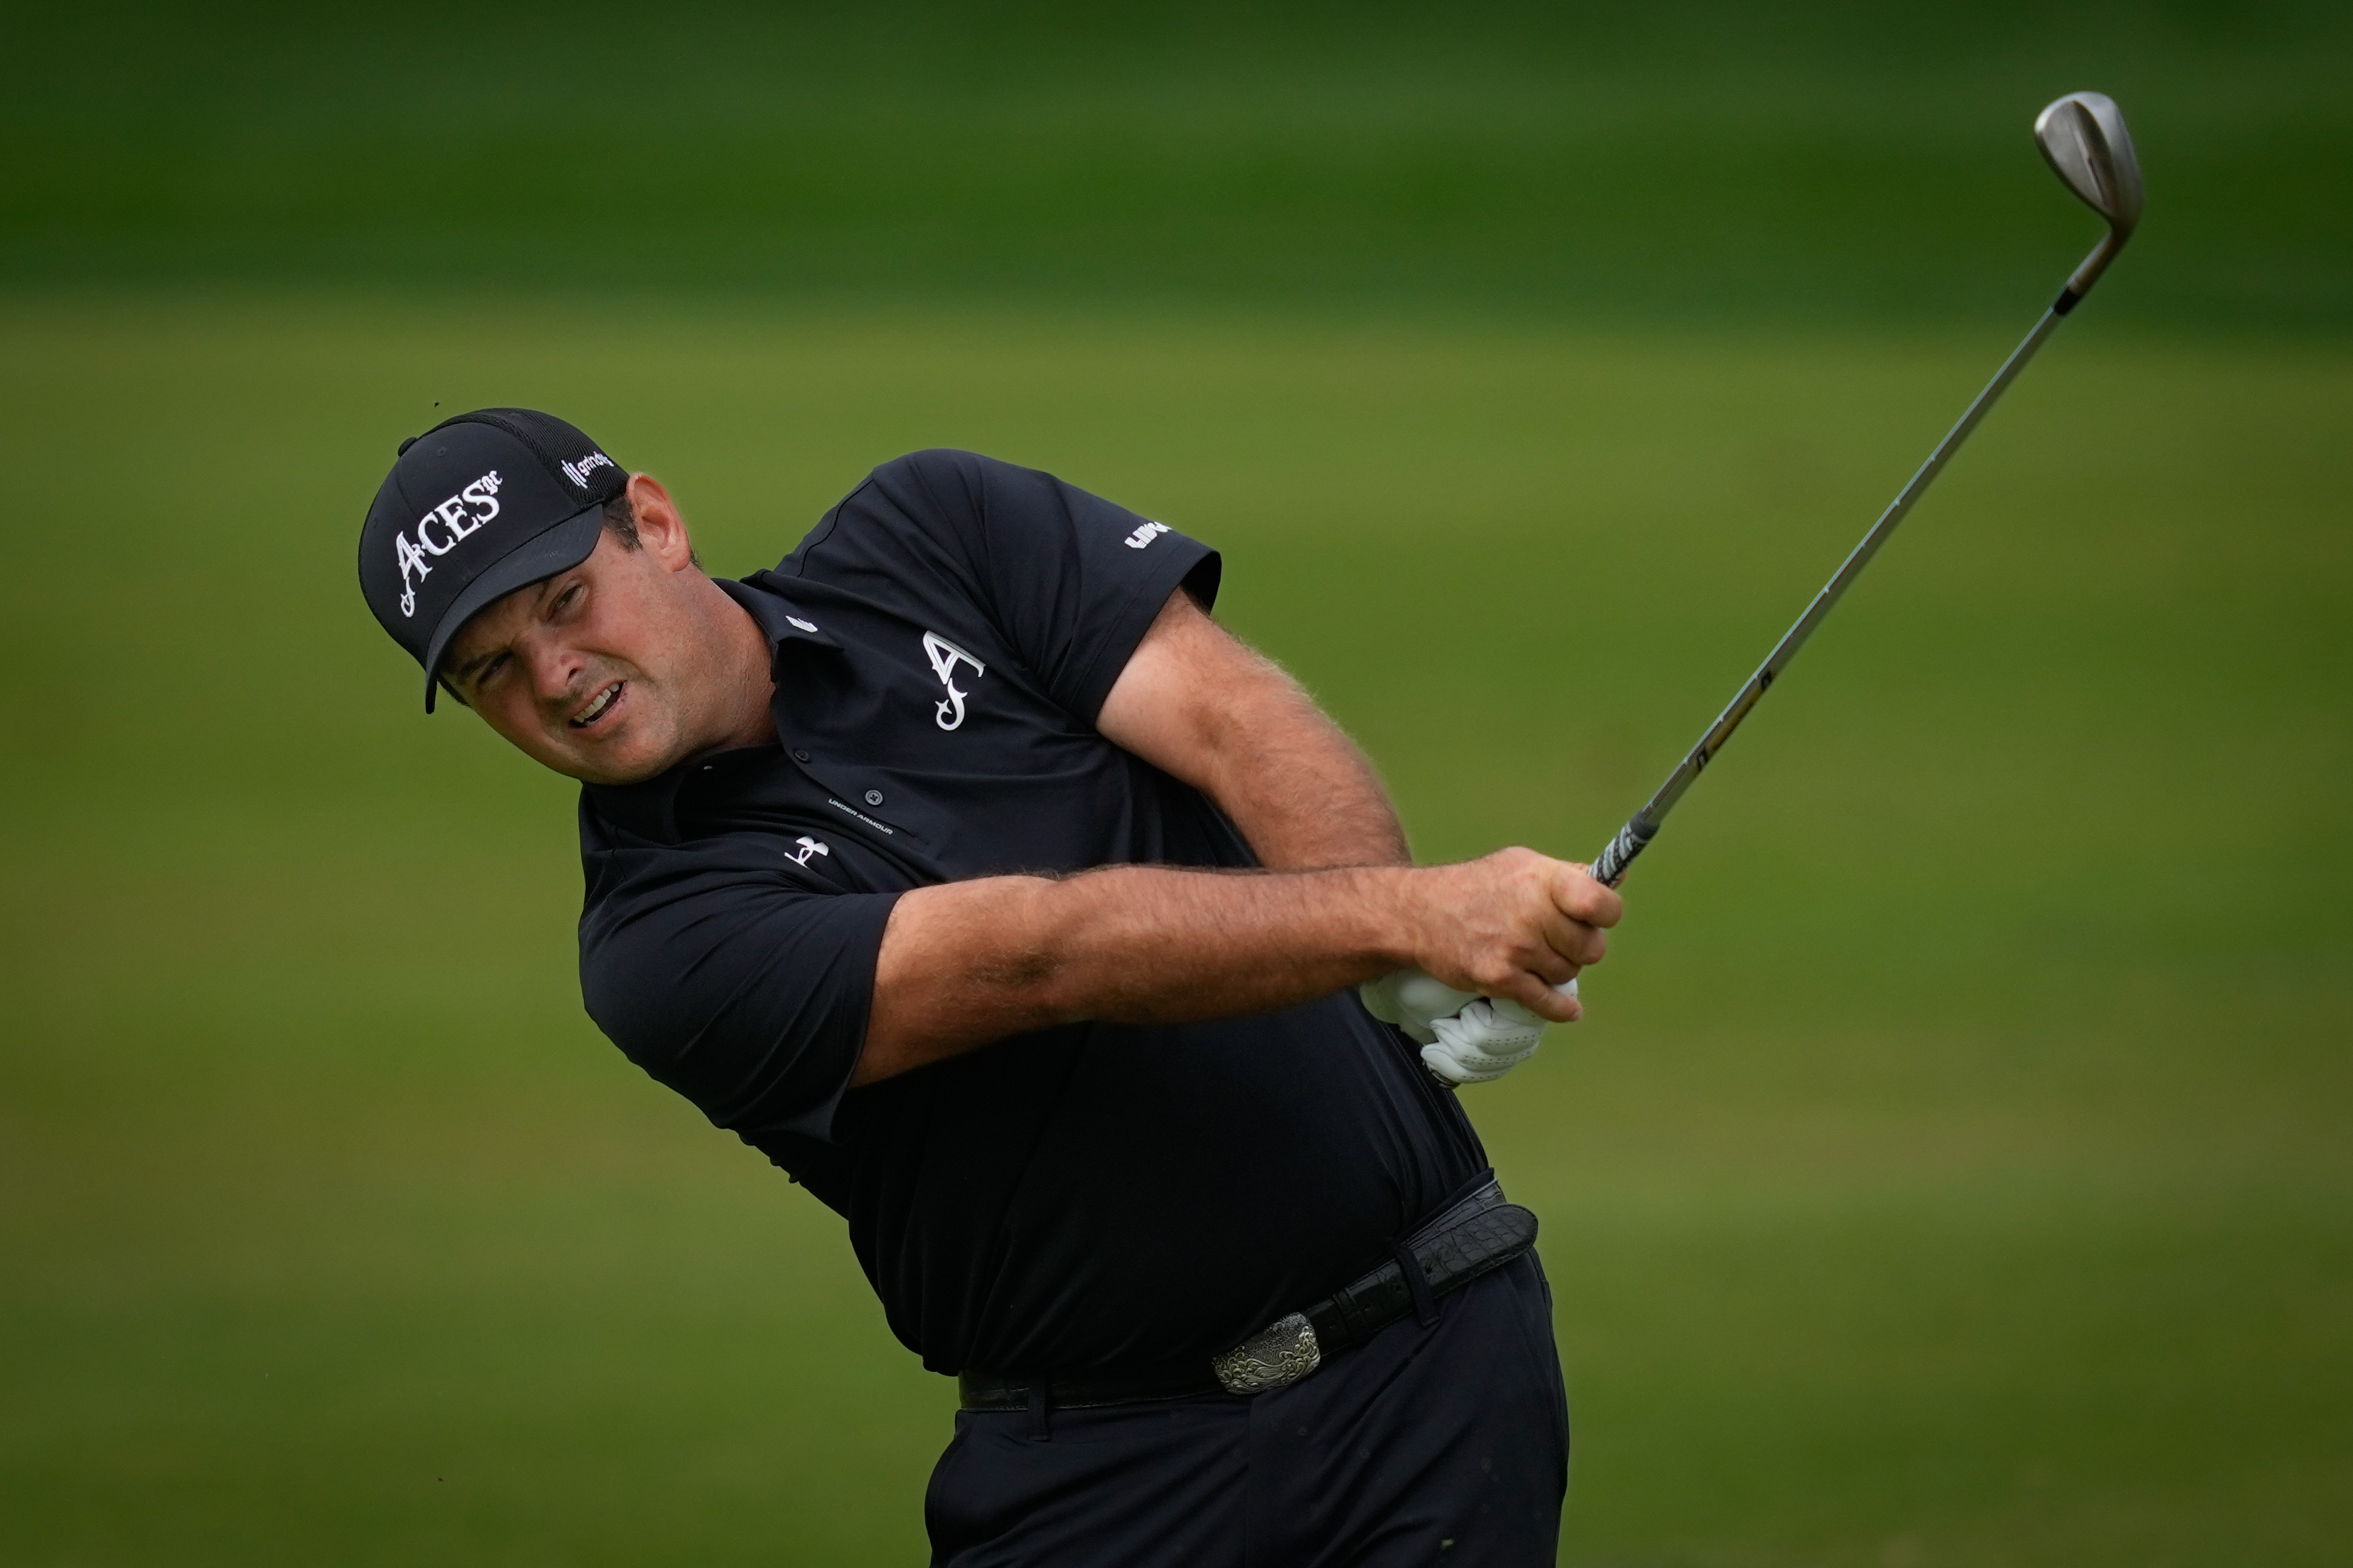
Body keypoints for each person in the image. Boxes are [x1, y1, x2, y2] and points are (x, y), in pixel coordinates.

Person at [357, 408, 1623, 1567]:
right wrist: (1404, 918)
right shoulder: (657, 943)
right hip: (1111, 1473)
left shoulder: (935, 533)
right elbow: (1038, 954)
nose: (556, 675)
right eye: (490, 671)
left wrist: (1391, 950)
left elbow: (1233, 715)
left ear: (658, 524)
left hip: (1438, 1360)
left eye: (569, 599)